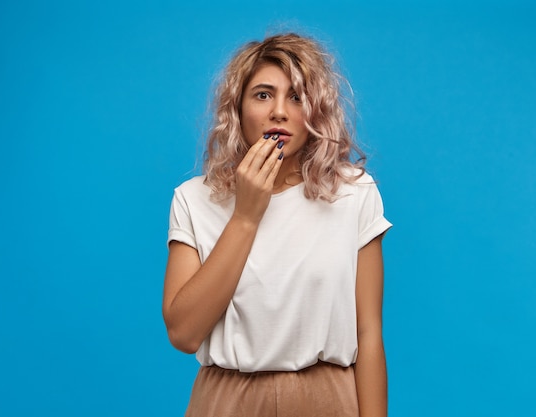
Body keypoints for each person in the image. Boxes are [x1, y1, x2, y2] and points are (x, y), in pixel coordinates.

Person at [162, 32, 392, 417]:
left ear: (315, 111)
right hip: (226, 399)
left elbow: (369, 334)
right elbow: (183, 334)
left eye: (297, 97)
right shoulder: (193, 198)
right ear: (237, 108)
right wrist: (246, 216)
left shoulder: (354, 193)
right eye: (263, 94)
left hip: (328, 398)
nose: (279, 112)